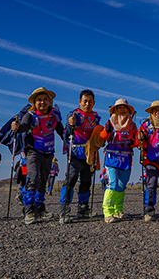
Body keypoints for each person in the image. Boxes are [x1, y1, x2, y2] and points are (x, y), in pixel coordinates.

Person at [11, 87, 64, 224]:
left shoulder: (54, 115)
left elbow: (61, 131)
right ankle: (28, 210)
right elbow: (24, 126)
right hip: (33, 152)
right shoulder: (30, 115)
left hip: (49, 152)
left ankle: (40, 209)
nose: (42, 102)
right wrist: (17, 127)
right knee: (33, 179)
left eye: (45, 99)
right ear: (34, 102)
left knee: (43, 181)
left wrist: (70, 138)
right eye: (39, 100)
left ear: (50, 101)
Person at [59, 89, 102, 224]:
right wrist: (70, 123)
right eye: (85, 101)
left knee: (86, 181)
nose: (87, 104)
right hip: (75, 152)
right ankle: (64, 211)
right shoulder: (74, 114)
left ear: (94, 103)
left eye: (90, 101)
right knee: (71, 179)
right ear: (79, 102)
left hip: (89, 154)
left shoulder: (95, 117)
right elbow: (68, 127)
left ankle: (83, 209)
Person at [101, 99, 138, 223]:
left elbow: (137, 141)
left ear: (128, 110)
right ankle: (108, 212)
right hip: (112, 158)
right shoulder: (110, 123)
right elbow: (102, 137)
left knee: (122, 185)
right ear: (115, 110)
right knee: (112, 183)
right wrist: (106, 131)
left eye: (124, 107)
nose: (122, 110)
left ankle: (118, 210)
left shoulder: (132, 125)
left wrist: (133, 142)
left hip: (126, 159)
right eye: (119, 107)